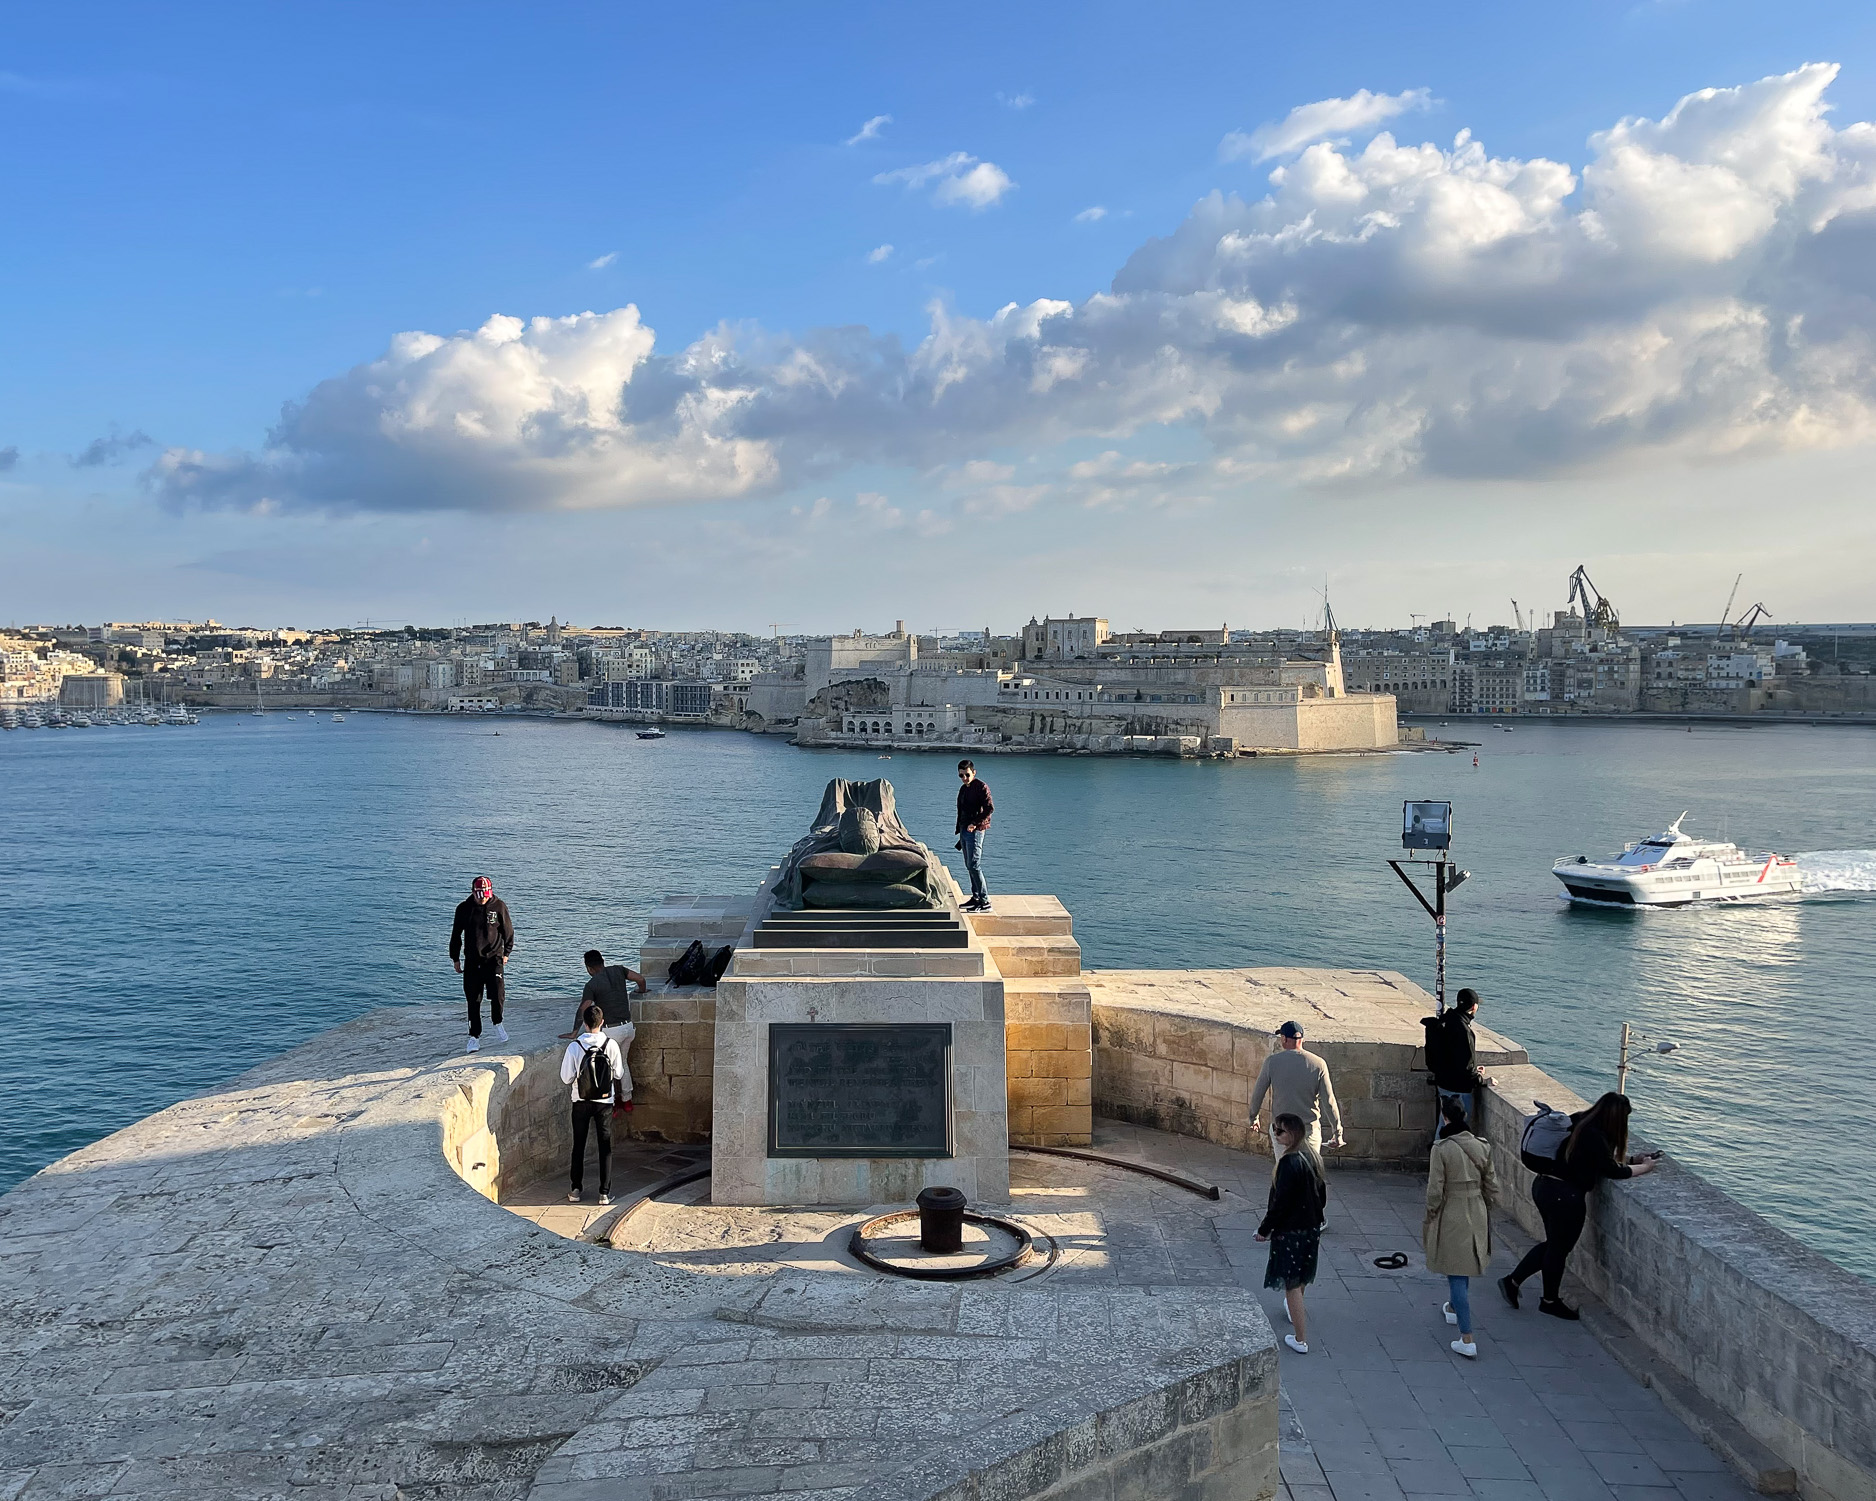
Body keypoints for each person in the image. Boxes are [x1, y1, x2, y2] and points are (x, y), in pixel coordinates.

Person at [1500, 1091, 1659, 1319]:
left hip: (1545, 1186)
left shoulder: (1579, 1120)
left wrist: (1633, 1158)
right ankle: (1549, 1301)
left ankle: (1512, 1282)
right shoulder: (1594, 1136)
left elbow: (1595, 1158)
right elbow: (1613, 1171)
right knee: (1558, 1249)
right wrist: (1646, 1167)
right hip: (1565, 1196)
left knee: (1553, 1245)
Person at [1424, 1096, 1498, 1359]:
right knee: (1464, 1263)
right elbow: (1492, 1185)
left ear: (1445, 1118)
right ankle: (1454, 1309)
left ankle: (1467, 1338)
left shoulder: (1441, 1149)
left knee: (1456, 1270)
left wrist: (1431, 1213)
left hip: (1452, 1208)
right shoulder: (1482, 1146)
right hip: (1476, 1206)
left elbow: (1435, 1189)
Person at [1255, 1113, 1327, 1354]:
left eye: (1280, 1131)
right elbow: (1322, 1196)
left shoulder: (1288, 1163)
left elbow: (1280, 1203)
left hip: (1291, 1231)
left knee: (1292, 1284)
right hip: (1311, 1228)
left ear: (1292, 1135)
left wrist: (1264, 1229)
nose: (1275, 1135)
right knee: (1301, 1276)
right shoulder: (1313, 1158)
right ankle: (1295, 1315)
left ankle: (1300, 1338)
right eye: (1275, 1130)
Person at [560, 1003, 627, 1205]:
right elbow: (619, 1073)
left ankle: (575, 1190)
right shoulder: (611, 1045)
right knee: (605, 1146)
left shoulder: (575, 1047)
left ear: (585, 1024)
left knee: (578, 1145)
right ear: (602, 1022)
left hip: (580, 1101)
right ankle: (604, 1193)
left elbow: (566, 1078)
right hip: (604, 1102)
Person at [1248, 1021, 1345, 1158]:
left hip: (1282, 1129)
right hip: (1308, 1130)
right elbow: (1329, 1101)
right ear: (1302, 1040)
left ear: (1284, 1039)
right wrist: (1337, 1132)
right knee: (1308, 1172)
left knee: (1285, 1171)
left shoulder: (1272, 1062)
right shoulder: (1318, 1064)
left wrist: (1254, 1118)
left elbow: (1258, 1093)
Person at [565, 949, 643, 1110]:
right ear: (603, 962)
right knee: (622, 1063)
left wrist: (574, 1032)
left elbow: (583, 1009)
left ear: (589, 968)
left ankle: (612, 1103)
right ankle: (627, 1101)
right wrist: (641, 991)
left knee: (607, 1067)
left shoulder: (592, 985)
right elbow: (640, 979)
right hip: (628, 1027)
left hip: (611, 1032)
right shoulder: (618, 970)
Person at [449, 875, 514, 1054]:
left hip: (494, 959)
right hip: (472, 960)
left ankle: (497, 1022)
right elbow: (456, 935)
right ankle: (474, 1036)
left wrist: (506, 953)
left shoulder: (499, 906)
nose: (482, 898)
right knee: (473, 999)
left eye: (485, 895)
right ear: (473, 892)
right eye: (479, 895)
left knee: (498, 994)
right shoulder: (463, 909)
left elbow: (508, 931)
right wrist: (455, 958)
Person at [1423, 988, 1495, 1142]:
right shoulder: (1463, 1029)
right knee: (1456, 1129)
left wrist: (1475, 1068)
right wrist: (1482, 1080)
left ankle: (1438, 1158)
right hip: (1459, 1089)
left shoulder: (1447, 1019)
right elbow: (1465, 1066)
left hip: (1443, 1082)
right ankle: (1446, 1161)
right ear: (1474, 1007)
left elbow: (1452, 1056)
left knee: (1444, 1124)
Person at [955, 760, 994, 913]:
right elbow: (961, 811)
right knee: (969, 865)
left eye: (967, 775)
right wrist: (960, 830)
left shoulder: (981, 787)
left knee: (974, 865)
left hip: (975, 831)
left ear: (974, 772)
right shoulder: (964, 789)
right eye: (961, 775)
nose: (964, 778)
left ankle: (985, 901)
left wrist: (975, 823)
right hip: (965, 830)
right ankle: (976, 897)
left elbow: (989, 808)